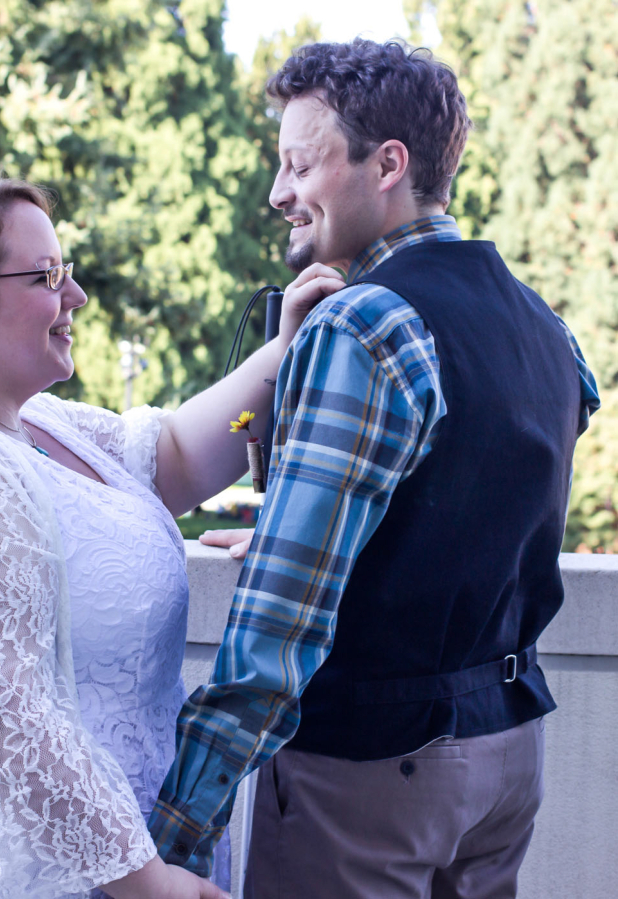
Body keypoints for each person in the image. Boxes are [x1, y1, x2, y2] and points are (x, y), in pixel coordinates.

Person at [0, 178, 340, 899]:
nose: (76, 294)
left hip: (115, 864)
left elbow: (172, 456)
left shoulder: (35, 424)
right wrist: (145, 881)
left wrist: (285, 347)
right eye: (47, 276)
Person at [148, 39, 600, 898]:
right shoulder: (546, 325)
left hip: (368, 778)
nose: (279, 193)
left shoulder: (361, 328)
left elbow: (275, 630)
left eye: (299, 164)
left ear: (387, 163)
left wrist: (179, 831)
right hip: (506, 763)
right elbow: (483, 510)